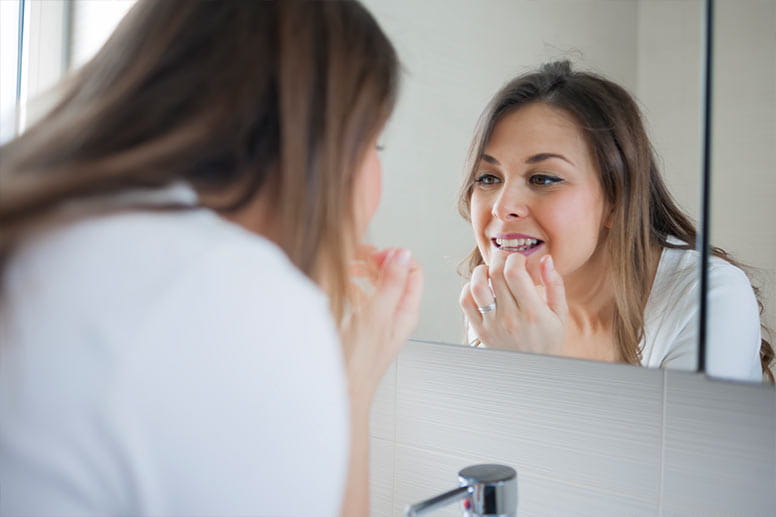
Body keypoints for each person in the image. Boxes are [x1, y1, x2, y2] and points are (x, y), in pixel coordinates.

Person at [0, 1, 422, 515]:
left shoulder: (55, 231)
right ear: (309, 143)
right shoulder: (227, 290)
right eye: (373, 146)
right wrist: (352, 390)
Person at [458, 61, 773, 384]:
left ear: (616, 199)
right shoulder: (500, 303)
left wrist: (532, 369)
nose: (502, 207)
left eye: (543, 178)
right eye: (487, 178)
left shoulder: (707, 299)